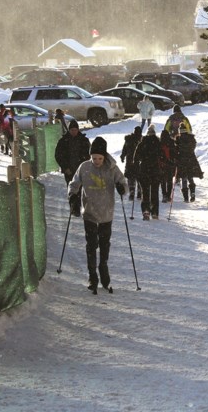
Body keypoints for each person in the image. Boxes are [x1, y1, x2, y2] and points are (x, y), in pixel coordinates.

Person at [68, 137, 127, 294]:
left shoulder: (112, 168)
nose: (97, 161)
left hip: (107, 213)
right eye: (94, 158)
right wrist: (73, 197)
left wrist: (122, 188)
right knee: (91, 245)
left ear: (105, 156)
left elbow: (124, 183)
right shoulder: (84, 167)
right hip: (90, 213)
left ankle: (104, 273)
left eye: (100, 158)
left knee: (105, 245)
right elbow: (73, 184)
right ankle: (92, 276)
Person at [133, 125, 162, 220]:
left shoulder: (142, 143)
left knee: (145, 192)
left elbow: (136, 158)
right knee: (154, 192)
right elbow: (163, 157)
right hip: (155, 170)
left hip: (144, 170)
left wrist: (136, 168)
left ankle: (146, 211)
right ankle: (155, 212)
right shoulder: (158, 143)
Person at [55, 119, 90, 186]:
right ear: (69, 130)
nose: (74, 132)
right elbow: (58, 155)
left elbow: (88, 155)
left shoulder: (84, 140)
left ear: (78, 130)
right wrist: (65, 168)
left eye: (75, 130)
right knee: (72, 190)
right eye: (72, 130)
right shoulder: (63, 141)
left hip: (81, 170)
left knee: (81, 190)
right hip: (69, 171)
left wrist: (85, 168)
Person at [175, 131, 203, 202]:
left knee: (184, 179)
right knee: (190, 177)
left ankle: (186, 198)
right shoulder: (191, 138)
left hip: (182, 160)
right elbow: (193, 148)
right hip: (190, 160)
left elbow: (177, 149)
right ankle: (193, 193)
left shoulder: (179, 138)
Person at [121, 125, 143, 202]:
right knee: (139, 177)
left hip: (130, 161)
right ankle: (139, 192)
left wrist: (122, 156)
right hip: (138, 162)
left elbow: (124, 149)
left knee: (131, 177)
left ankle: (132, 191)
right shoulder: (141, 140)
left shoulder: (128, 140)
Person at [158, 128, 178, 203]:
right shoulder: (172, 142)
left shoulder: (159, 143)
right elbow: (175, 153)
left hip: (162, 165)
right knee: (169, 181)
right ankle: (169, 195)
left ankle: (164, 195)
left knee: (163, 181)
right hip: (170, 164)